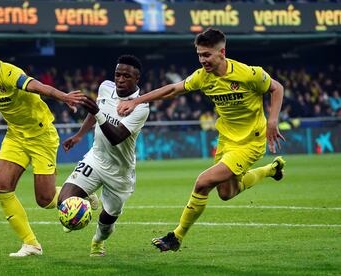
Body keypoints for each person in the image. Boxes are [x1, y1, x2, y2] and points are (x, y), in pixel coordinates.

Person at [117, 28, 286, 252]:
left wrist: (272, 120)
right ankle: (271, 170)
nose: (202, 60)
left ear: (222, 52)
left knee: (203, 182)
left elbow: (277, 88)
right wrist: (137, 101)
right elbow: (172, 89)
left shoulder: (248, 74)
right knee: (226, 193)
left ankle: (176, 236)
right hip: (227, 140)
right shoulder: (202, 77)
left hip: (250, 143)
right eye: (199, 54)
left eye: (206, 54)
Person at [0, 38, 87, 257]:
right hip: (15, 136)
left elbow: (38, 87)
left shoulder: (10, 73)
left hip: (41, 135)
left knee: (45, 200)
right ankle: (31, 243)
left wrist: (64, 97)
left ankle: (81, 193)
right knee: (2, 187)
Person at [57, 55, 149, 257]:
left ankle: (98, 242)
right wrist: (80, 135)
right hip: (96, 158)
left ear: (137, 79)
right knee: (63, 204)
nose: (120, 79)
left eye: (126, 76)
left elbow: (117, 137)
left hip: (120, 172)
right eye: (118, 74)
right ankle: (88, 197)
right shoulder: (105, 87)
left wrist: (98, 112)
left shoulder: (141, 107)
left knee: (107, 221)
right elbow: (94, 112)